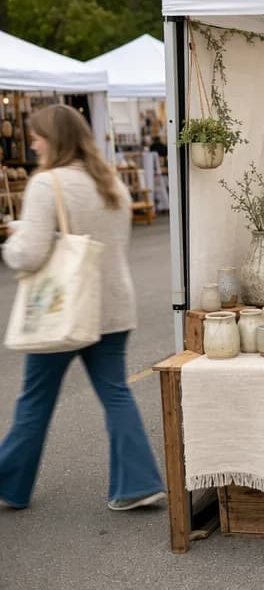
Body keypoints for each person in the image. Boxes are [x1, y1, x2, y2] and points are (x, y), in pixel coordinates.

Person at [0, 105, 165, 511]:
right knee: (115, 393)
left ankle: (9, 485)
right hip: (111, 306)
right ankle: (138, 483)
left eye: (36, 135)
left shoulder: (47, 184)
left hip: (63, 309)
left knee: (35, 400)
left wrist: (13, 239)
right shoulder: (110, 181)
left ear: (54, 140)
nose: (33, 142)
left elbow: (30, 254)